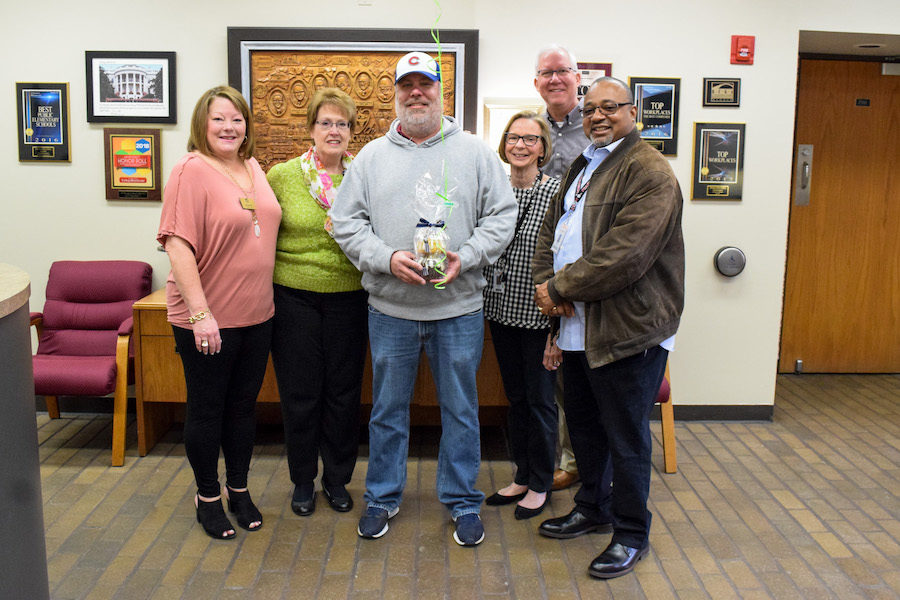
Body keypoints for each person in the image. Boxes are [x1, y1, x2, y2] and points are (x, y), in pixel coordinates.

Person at [332, 51, 516, 547]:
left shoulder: (475, 153)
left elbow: (502, 215)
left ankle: (462, 502)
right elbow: (345, 224)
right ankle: (382, 497)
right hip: (390, 310)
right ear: (395, 93)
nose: (417, 93)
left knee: (461, 409)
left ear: (441, 92)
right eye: (407, 85)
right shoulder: (371, 157)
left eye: (425, 84)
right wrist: (385, 257)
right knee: (387, 410)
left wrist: (469, 255)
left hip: (458, 309)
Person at [532, 77, 684, 579]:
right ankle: (593, 508)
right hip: (578, 330)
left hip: (627, 330)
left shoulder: (649, 171)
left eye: (610, 108)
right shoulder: (583, 165)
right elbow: (550, 237)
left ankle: (631, 532)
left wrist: (560, 290)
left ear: (633, 110)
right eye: (590, 108)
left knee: (626, 439)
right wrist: (546, 285)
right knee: (585, 431)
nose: (598, 116)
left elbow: (625, 254)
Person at [157, 85, 282, 539]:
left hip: (257, 314)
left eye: (237, 119)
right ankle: (207, 497)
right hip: (207, 317)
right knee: (208, 410)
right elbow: (177, 244)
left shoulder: (253, 167)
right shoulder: (190, 171)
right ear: (202, 124)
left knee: (243, 410)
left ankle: (239, 489)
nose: (229, 127)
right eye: (219, 119)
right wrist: (200, 314)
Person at [266, 88, 366, 518]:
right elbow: (257, 233)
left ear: (351, 131)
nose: (334, 130)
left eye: (342, 123)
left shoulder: (365, 176)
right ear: (310, 129)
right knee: (300, 393)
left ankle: (337, 479)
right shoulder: (282, 176)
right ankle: (303, 480)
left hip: (351, 297)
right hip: (293, 298)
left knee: (344, 394)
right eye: (325, 122)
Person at [482, 111, 559, 520]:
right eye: (514, 138)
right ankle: (522, 475)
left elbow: (562, 260)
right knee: (515, 399)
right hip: (499, 310)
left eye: (531, 139)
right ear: (504, 144)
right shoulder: (495, 192)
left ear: (543, 149)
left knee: (541, 401)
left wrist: (557, 329)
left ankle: (543, 482)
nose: (521, 146)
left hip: (540, 317)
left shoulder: (557, 194)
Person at [534, 44, 591, 491]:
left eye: (562, 72)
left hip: (581, 269)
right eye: (546, 74)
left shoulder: (593, 132)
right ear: (536, 83)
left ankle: (577, 463)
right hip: (541, 269)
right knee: (549, 378)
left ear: (577, 78)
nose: (555, 79)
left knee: (577, 381)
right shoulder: (532, 130)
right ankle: (553, 459)